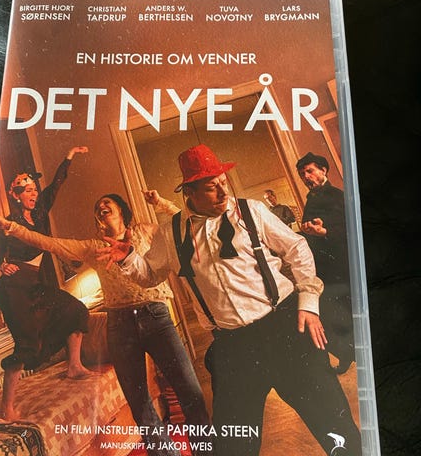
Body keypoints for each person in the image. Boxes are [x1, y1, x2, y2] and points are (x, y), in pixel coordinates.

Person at [98, 144, 362, 456]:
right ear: (190, 192)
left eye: (223, 182)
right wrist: (129, 257)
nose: (224, 192)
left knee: (335, 426)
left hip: (286, 329)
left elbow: (298, 248)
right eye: (212, 187)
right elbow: (150, 275)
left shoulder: (252, 211)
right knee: (233, 446)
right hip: (233, 347)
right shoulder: (172, 231)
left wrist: (308, 302)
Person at [0, 192, 211, 456]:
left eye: (108, 202)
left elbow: (183, 224)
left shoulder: (146, 231)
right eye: (98, 206)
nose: (102, 206)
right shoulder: (94, 247)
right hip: (119, 325)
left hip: (156, 317)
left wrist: (160, 203)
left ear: (121, 210)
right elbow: (50, 243)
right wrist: (10, 227)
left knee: (190, 392)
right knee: (140, 405)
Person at [0, 146, 92, 421]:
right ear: (16, 195)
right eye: (27, 191)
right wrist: (1, 266)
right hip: (13, 289)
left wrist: (69, 155)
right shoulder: (9, 224)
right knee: (27, 346)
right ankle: (6, 407)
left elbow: (57, 183)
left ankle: (74, 366)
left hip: (34, 284)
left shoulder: (40, 212)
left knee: (76, 310)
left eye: (34, 189)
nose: (33, 194)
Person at [296, 152, 355, 373]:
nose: (306, 177)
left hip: (341, 267)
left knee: (346, 315)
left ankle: (353, 356)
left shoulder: (336, 195)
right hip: (323, 270)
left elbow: (350, 229)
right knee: (334, 316)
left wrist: (325, 232)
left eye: (310, 171)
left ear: (323, 170)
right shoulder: (312, 198)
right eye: (302, 174)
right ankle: (346, 356)